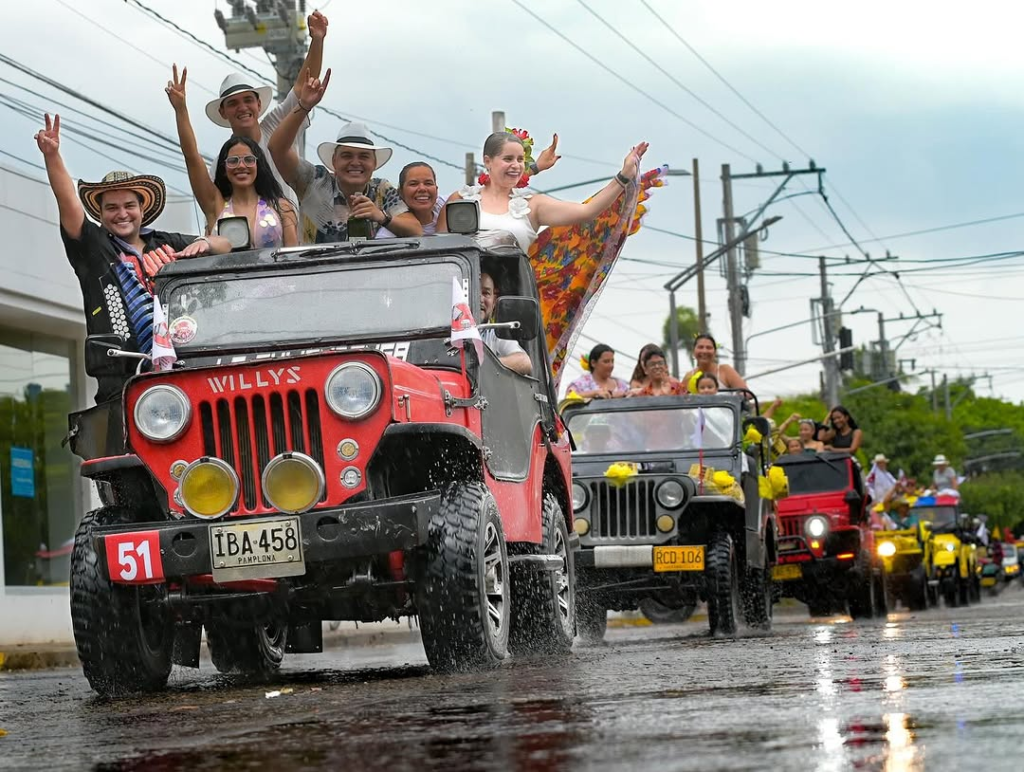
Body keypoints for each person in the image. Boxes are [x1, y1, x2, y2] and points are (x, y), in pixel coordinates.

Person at [35, 114, 231, 403]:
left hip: (185, 369)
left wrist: (203, 243)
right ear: (100, 214)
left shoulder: (167, 242)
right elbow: (69, 204)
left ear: (143, 208)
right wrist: (52, 156)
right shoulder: (94, 246)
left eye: (129, 205)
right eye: (111, 207)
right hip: (122, 380)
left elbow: (225, 244)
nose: (122, 213)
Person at [191, 10, 328, 212]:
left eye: (248, 100)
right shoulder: (222, 161)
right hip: (250, 243)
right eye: (233, 103)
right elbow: (216, 211)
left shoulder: (275, 124)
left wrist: (317, 40)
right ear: (223, 112)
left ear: (258, 105)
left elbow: (302, 87)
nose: (243, 107)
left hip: (291, 239)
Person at [268, 69, 422, 243]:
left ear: (374, 163)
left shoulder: (382, 190)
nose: (355, 162)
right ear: (334, 161)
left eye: (364, 156)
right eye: (347, 155)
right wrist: (303, 106)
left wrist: (381, 216)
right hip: (317, 270)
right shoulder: (314, 181)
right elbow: (277, 149)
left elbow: (416, 230)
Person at [438, 132, 648, 252]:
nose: (516, 165)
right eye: (508, 159)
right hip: (461, 305)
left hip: (513, 306)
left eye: (520, 160)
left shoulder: (533, 205)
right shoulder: (460, 199)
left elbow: (588, 211)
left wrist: (624, 175)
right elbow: (435, 251)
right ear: (487, 161)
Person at [166, 67, 297, 247]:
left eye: (249, 160)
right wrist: (181, 110)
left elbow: (293, 260)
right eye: (233, 161)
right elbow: (191, 156)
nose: (241, 166)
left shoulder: (282, 207)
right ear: (224, 168)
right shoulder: (215, 206)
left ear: (259, 166)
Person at [479, 272, 531, 375]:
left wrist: (482, 365)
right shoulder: (446, 330)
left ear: (494, 302)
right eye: (474, 293)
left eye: (486, 293)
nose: (480, 299)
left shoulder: (495, 333)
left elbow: (525, 362)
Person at [681, 333, 748, 393]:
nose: (704, 351)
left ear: (715, 352)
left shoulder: (725, 370)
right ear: (693, 352)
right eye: (700, 347)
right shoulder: (688, 376)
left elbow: (746, 393)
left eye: (709, 348)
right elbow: (679, 399)